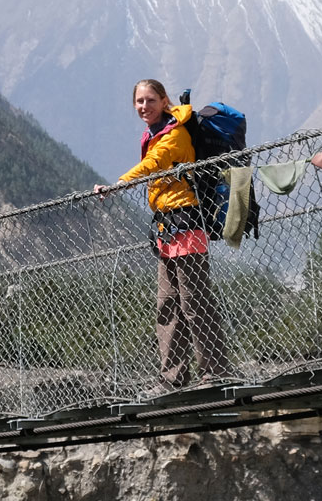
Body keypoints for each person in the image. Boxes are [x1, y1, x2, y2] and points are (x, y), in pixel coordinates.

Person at [93, 79, 230, 388]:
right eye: (139, 101)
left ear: (164, 100)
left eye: (150, 100)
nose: (144, 106)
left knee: (195, 303)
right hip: (166, 227)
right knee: (167, 305)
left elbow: (154, 165)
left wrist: (117, 185)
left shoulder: (175, 134)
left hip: (187, 222)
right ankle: (173, 377)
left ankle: (216, 373)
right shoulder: (155, 133)